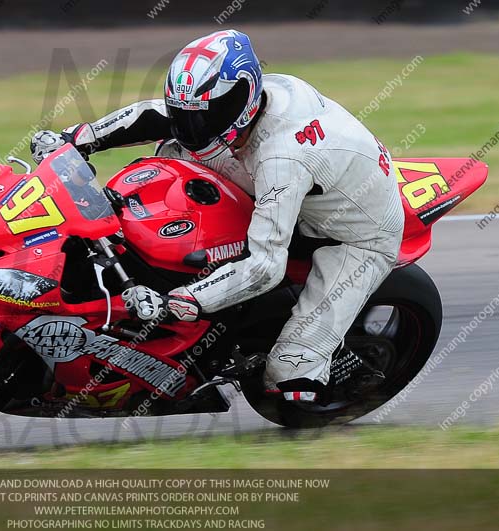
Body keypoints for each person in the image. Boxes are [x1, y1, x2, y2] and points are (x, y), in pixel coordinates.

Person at [29, 29, 404, 404]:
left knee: (289, 376)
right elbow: (162, 116)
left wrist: (177, 301)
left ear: (240, 97)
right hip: (289, 183)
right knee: (164, 169)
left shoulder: (281, 158)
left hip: (354, 235)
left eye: (203, 116)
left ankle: (329, 368)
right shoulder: (238, 109)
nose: (193, 128)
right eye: (187, 114)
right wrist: (78, 138)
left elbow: (265, 267)